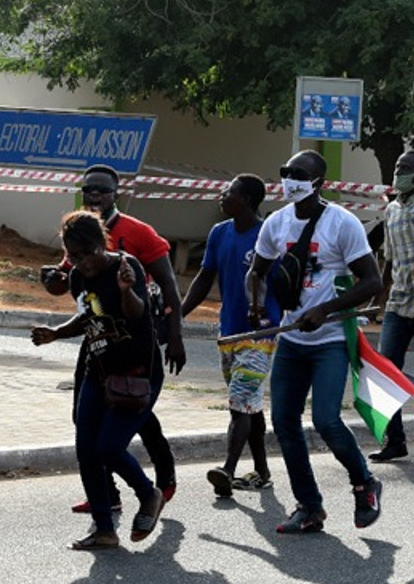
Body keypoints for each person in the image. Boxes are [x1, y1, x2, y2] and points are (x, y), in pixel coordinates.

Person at [246, 150, 383, 533]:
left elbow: (372, 283)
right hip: (292, 339)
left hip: (330, 340)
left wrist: (325, 309)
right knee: (284, 422)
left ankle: (365, 483)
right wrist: (256, 307)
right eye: (286, 171)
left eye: (300, 174)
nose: (291, 179)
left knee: (325, 419)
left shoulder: (342, 223)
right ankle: (309, 506)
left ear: (319, 182)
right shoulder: (276, 223)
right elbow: (256, 271)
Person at [39, 165, 181, 510]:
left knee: (138, 415)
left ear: (116, 193)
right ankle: (106, 496)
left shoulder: (138, 233)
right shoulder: (77, 231)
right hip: (97, 335)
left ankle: (164, 479)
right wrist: (54, 282)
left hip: (134, 339)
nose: (95, 196)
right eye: (89, 190)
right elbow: (73, 285)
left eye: (102, 190)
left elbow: (169, 284)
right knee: (85, 417)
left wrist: (176, 335)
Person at [32, 211, 166, 550]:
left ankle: (149, 493)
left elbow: (138, 316)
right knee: (86, 450)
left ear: (100, 245)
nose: (81, 263)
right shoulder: (78, 276)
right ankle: (104, 529)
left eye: (86, 253)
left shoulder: (126, 267)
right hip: (99, 371)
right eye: (72, 256)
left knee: (108, 447)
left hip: (137, 375)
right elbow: (87, 315)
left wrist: (124, 291)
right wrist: (56, 333)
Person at [180, 175, 280, 496]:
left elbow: (284, 282)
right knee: (249, 404)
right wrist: (177, 315)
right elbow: (204, 277)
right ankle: (262, 471)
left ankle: (228, 469)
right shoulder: (219, 233)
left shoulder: (268, 236)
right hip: (229, 333)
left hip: (261, 333)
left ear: (248, 200)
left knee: (239, 402)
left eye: (229, 192)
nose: (222, 196)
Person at [370, 150, 414, 462]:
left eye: (406, 168)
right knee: (386, 372)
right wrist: (378, 299)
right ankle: (394, 441)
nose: (399, 172)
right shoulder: (393, 210)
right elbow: (388, 259)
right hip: (399, 303)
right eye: (397, 166)